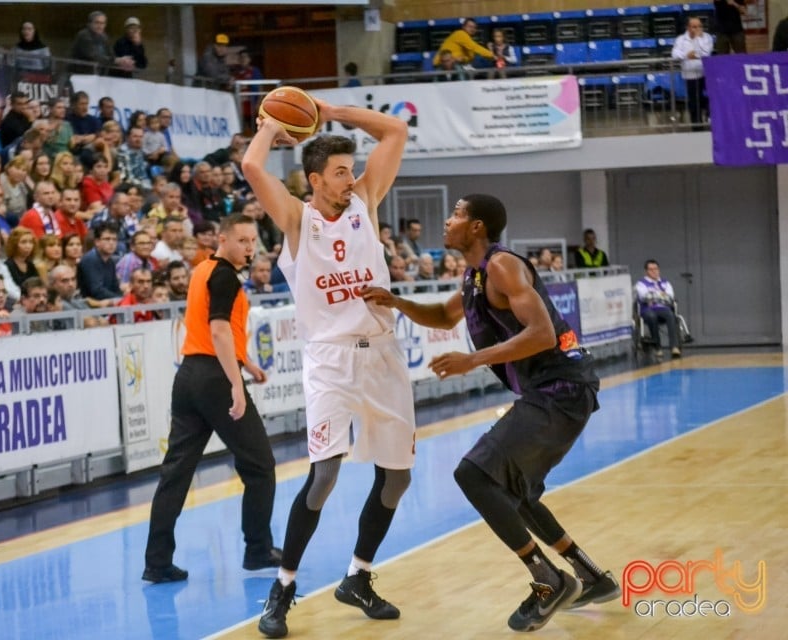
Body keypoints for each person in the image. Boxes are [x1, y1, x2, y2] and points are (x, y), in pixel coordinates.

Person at [361, 193, 620, 633]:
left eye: (458, 214)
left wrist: (472, 360)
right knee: (515, 492)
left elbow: (540, 334)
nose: (448, 220)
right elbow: (444, 317)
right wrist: (397, 302)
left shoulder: (502, 266)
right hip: (550, 391)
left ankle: (547, 580)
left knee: (475, 475)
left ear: (478, 227)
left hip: (561, 386)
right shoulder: (474, 274)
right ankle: (590, 575)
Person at [243, 97, 415, 638]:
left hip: (384, 353)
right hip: (331, 362)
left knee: (398, 479)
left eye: (350, 169)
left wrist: (325, 109)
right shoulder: (297, 217)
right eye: (339, 172)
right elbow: (252, 167)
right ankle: (283, 589)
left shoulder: (366, 199)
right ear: (314, 179)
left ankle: (358, 577)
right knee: (325, 475)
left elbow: (394, 131)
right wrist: (274, 127)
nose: (349, 178)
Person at [142, 212, 279, 583]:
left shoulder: (203, 269)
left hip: (189, 375)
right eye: (242, 240)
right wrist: (236, 383)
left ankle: (156, 562)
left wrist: (246, 361)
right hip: (215, 378)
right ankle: (257, 549)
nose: (250, 247)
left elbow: (210, 327)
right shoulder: (224, 276)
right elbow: (218, 331)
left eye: (253, 241)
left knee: (176, 473)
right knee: (261, 466)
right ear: (222, 239)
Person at [635, 259, 682, 358]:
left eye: (656, 269)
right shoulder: (641, 283)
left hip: (662, 308)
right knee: (652, 316)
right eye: (651, 269)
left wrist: (653, 296)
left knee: (670, 314)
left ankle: (674, 347)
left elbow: (670, 297)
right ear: (646, 271)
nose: (654, 271)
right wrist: (661, 295)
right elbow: (644, 297)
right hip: (647, 309)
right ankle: (658, 347)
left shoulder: (665, 283)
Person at [672, 18, 713, 127]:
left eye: (700, 26)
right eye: (694, 27)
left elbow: (706, 53)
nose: (698, 29)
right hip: (690, 75)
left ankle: (710, 119)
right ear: (688, 28)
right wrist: (686, 55)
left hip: (706, 73)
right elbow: (675, 54)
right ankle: (696, 126)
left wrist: (697, 39)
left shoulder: (707, 37)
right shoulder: (681, 39)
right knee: (694, 102)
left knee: (710, 97)